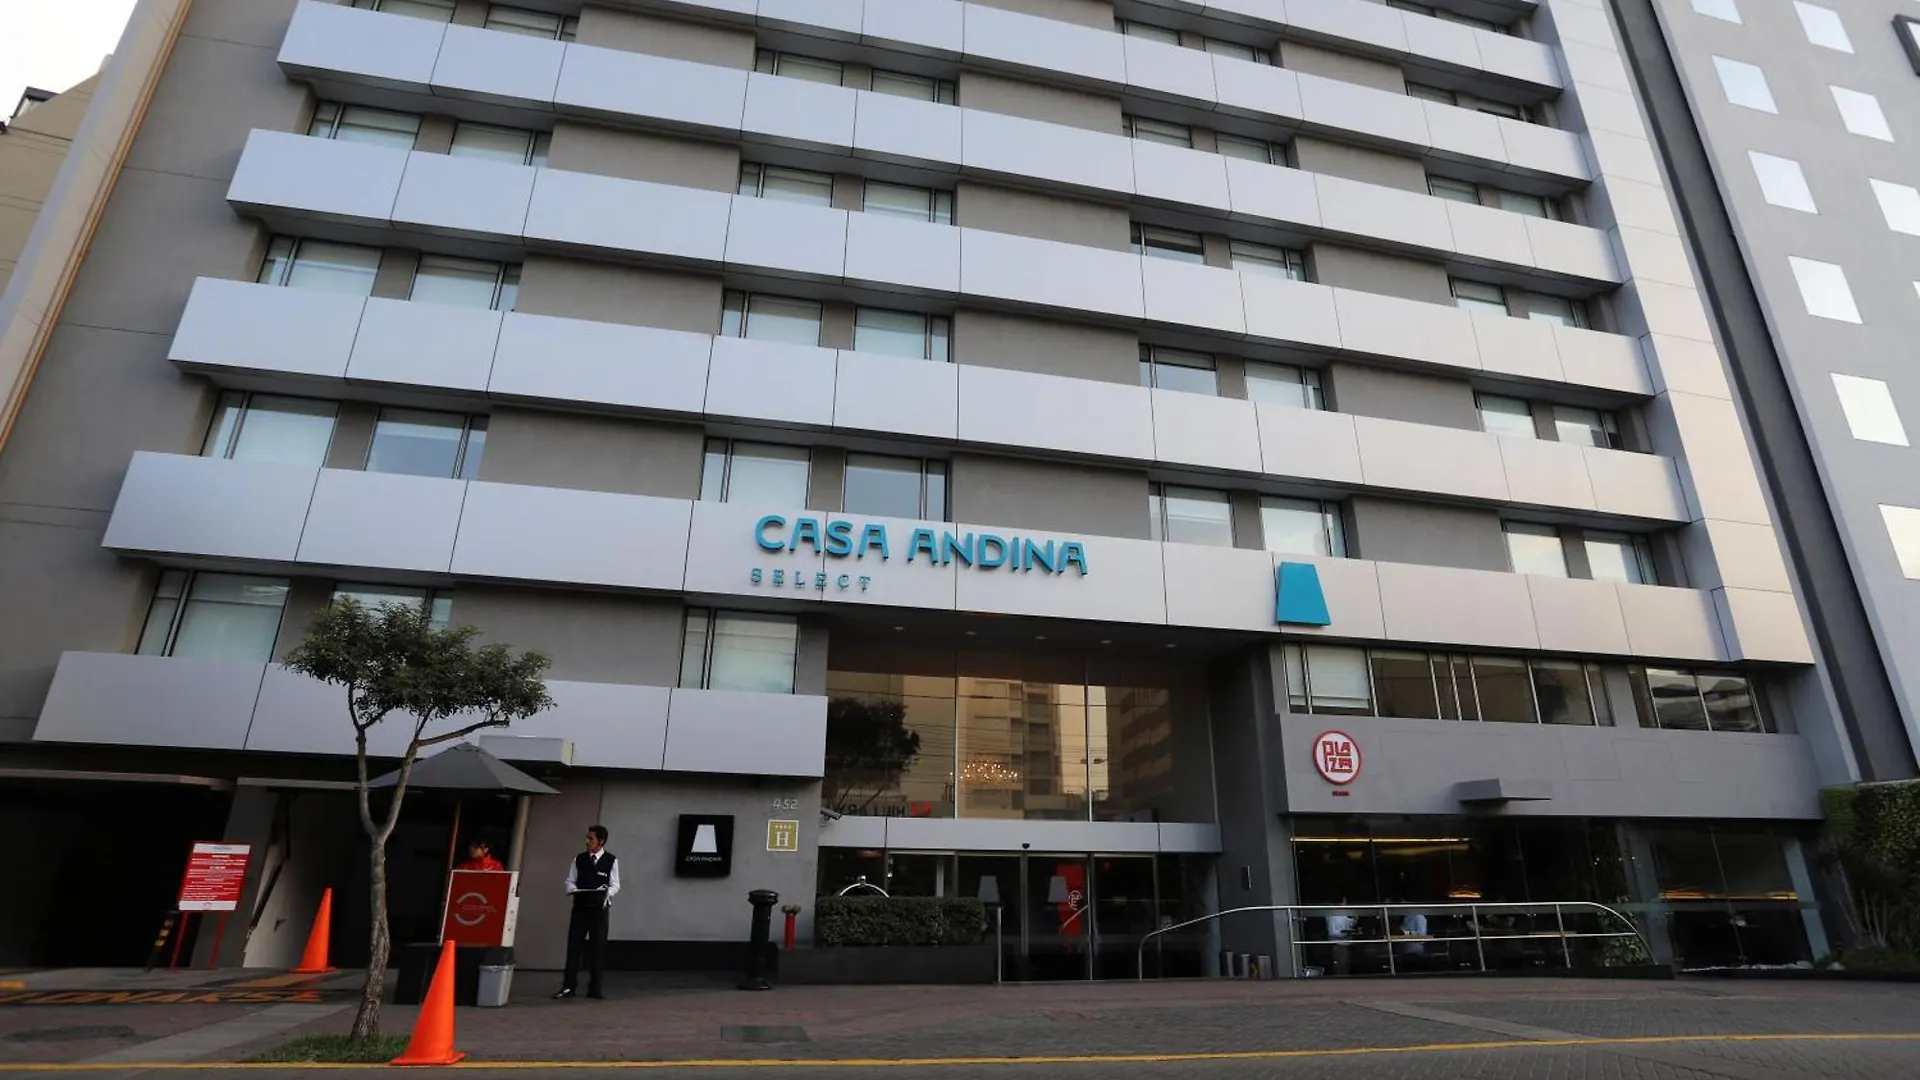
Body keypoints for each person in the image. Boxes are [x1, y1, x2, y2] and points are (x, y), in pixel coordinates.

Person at [554, 825, 619, 1000]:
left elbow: (615, 884)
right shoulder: (579, 859)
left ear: (601, 841)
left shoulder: (611, 860)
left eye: (591, 839)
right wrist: (572, 889)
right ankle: (568, 986)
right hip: (580, 909)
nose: (587, 841)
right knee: (574, 947)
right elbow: (570, 880)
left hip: (599, 910)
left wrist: (607, 893)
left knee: (597, 948)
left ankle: (595, 988)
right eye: (587, 838)